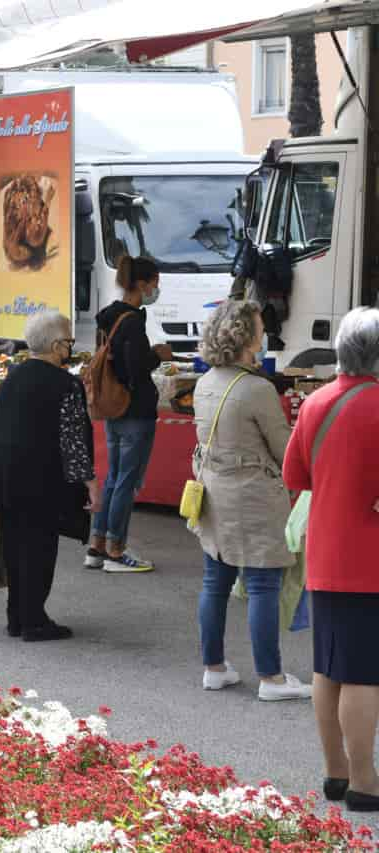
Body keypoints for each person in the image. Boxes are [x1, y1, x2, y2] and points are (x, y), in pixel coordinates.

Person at [189, 300, 311, 701]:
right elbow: (285, 450)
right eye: (259, 326)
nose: (264, 331)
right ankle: (271, 678)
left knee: (215, 580)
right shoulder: (256, 389)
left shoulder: (206, 382)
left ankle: (214, 667)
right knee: (262, 584)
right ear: (245, 335)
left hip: (213, 491)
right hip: (253, 495)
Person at [284, 308, 379, 810]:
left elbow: (295, 477)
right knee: (365, 673)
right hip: (371, 559)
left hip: (326, 551)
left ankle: (336, 772)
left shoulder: (316, 402)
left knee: (329, 668)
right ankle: (366, 782)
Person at [0, 310, 97, 642]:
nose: (70, 348)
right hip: (39, 479)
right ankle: (34, 621)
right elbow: (73, 442)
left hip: (3, 475)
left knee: (15, 547)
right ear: (58, 346)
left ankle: (17, 616)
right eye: (69, 342)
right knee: (40, 550)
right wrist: (91, 485)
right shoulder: (65, 383)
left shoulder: (14, 375)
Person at [85, 255, 171, 573]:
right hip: (136, 410)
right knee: (126, 480)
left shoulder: (110, 317)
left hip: (114, 409)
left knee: (113, 478)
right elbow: (134, 367)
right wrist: (157, 355)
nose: (156, 289)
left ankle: (96, 544)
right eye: (155, 284)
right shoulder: (132, 321)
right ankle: (116, 550)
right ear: (142, 284)